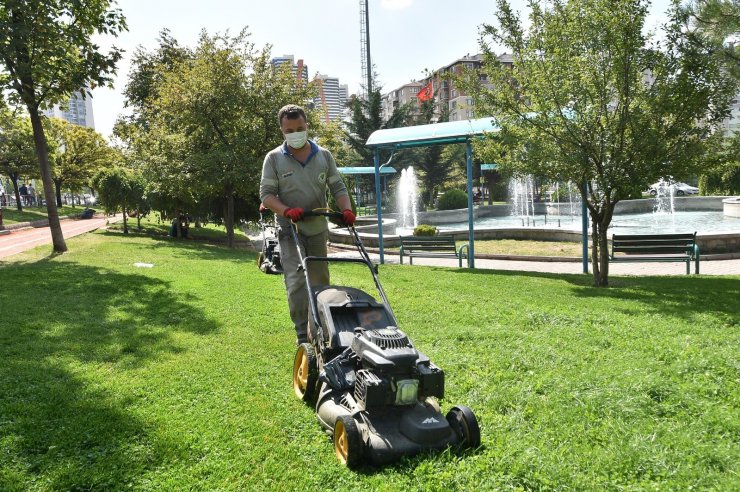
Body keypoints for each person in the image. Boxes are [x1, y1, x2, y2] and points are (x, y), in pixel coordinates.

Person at [260, 104, 355, 344]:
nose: (295, 133)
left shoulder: (323, 155)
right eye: (289, 130)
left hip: (317, 227)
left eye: (300, 128)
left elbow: (338, 187)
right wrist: (286, 210)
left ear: (307, 126)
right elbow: (267, 195)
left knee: (321, 280)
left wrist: (346, 209)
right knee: (296, 281)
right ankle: (303, 333)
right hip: (289, 229)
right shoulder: (273, 159)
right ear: (282, 131)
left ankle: (322, 326)